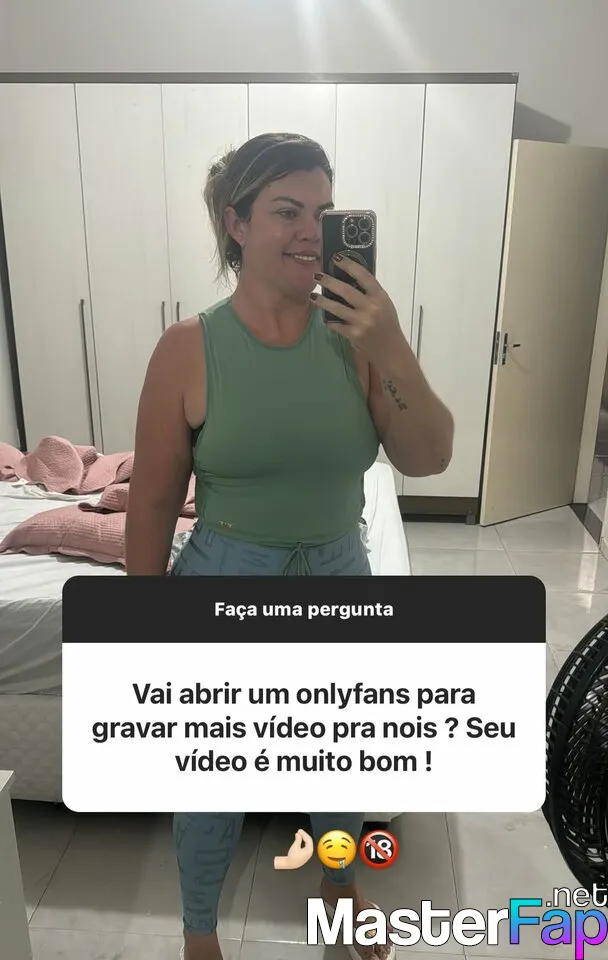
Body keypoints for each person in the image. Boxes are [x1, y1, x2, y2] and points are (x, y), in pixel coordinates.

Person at [125, 132, 454, 960]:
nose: (312, 231)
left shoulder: (356, 339)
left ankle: (340, 886)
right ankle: (200, 931)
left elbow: (429, 456)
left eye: (324, 211)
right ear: (235, 224)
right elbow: (155, 499)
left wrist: (389, 342)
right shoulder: (187, 348)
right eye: (287, 211)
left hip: (341, 576)